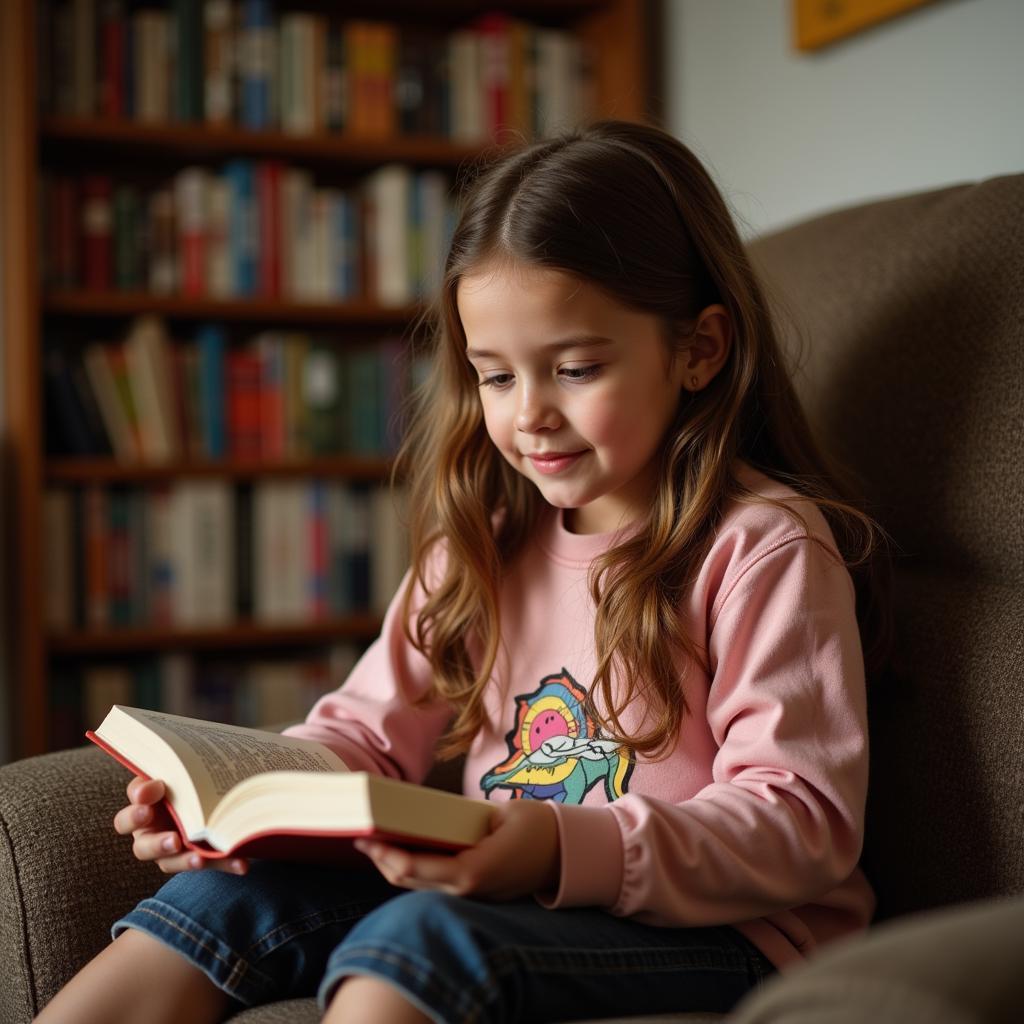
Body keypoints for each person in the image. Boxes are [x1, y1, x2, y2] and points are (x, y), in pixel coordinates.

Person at [37, 119, 891, 1024]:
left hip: (731, 936)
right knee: (221, 904)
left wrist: (558, 850)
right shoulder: (484, 542)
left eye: (574, 368)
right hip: (511, 899)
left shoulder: (762, 546)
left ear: (698, 350)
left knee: (418, 940)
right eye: (494, 377)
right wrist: (234, 804)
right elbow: (365, 737)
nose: (532, 417)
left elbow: (801, 824)